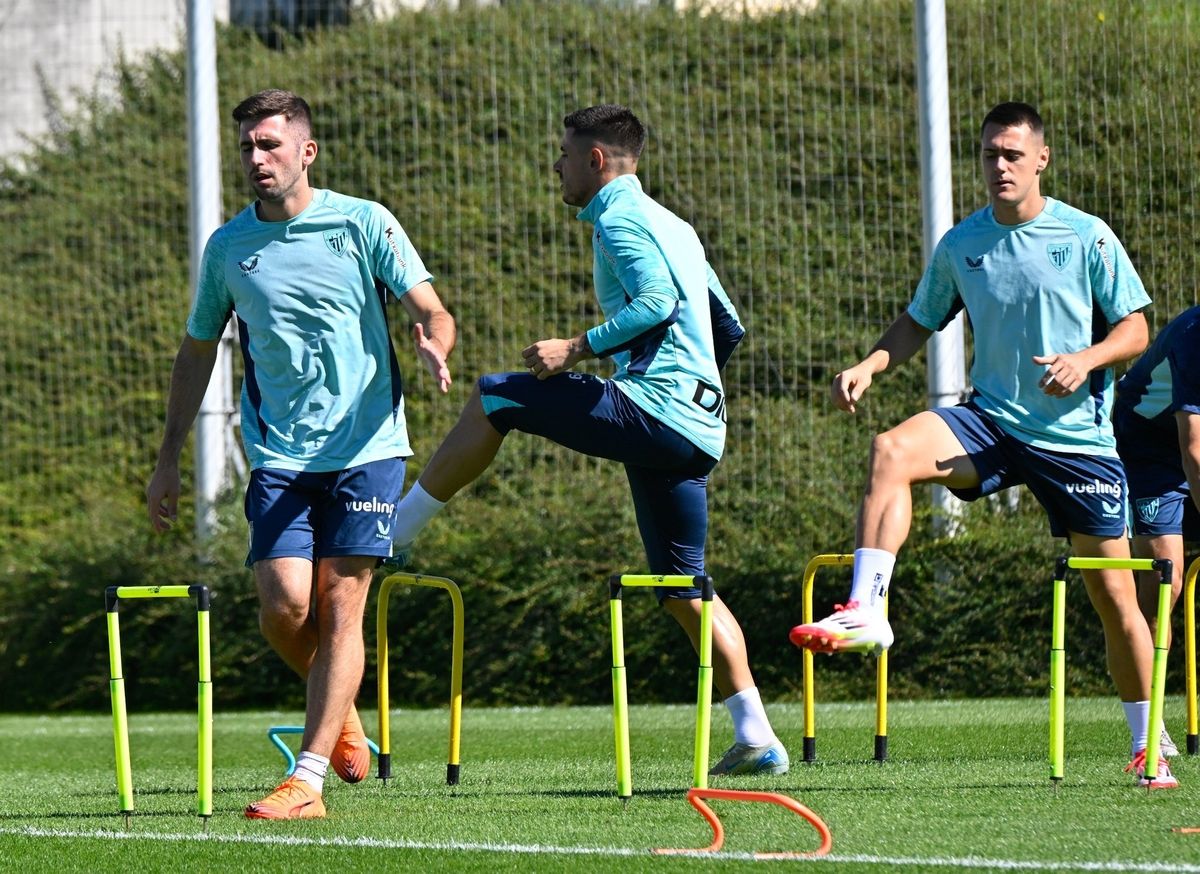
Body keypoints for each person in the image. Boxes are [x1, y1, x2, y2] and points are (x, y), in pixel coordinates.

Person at [387, 104, 788, 776]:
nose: (557, 166)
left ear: (596, 161)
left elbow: (657, 302)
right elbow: (727, 326)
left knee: (496, 397)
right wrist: (691, 383)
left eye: (565, 154)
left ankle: (397, 531)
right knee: (683, 587)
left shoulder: (618, 219)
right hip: (700, 427)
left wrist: (576, 347)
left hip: (658, 411)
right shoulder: (676, 224)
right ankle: (758, 738)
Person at [789, 101, 1177, 787]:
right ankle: (867, 609)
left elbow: (1137, 329)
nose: (1000, 165)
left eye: (1012, 154)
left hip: (1076, 443)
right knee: (890, 450)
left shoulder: (1086, 236)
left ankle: (1149, 744)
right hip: (992, 422)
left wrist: (1086, 361)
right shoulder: (962, 244)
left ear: (1041, 160)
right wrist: (870, 364)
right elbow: (919, 320)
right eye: (990, 153)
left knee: (1117, 600)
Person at [145, 89, 456, 819]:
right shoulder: (228, 248)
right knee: (284, 606)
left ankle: (307, 780)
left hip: (368, 445)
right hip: (280, 453)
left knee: (341, 602)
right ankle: (337, 708)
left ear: (306, 152)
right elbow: (196, 353)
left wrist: (435, 343)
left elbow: (432, 309)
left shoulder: (363, 222)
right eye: (247, 147)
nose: (257, 158)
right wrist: (167, 458)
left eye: (270, 144)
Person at [1114, 304, 1200, 755]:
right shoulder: (1193, 338)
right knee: (1167, 581)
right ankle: (1152, 721)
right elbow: (1194, 450)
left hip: (1187, 446)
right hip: (1149, 451)